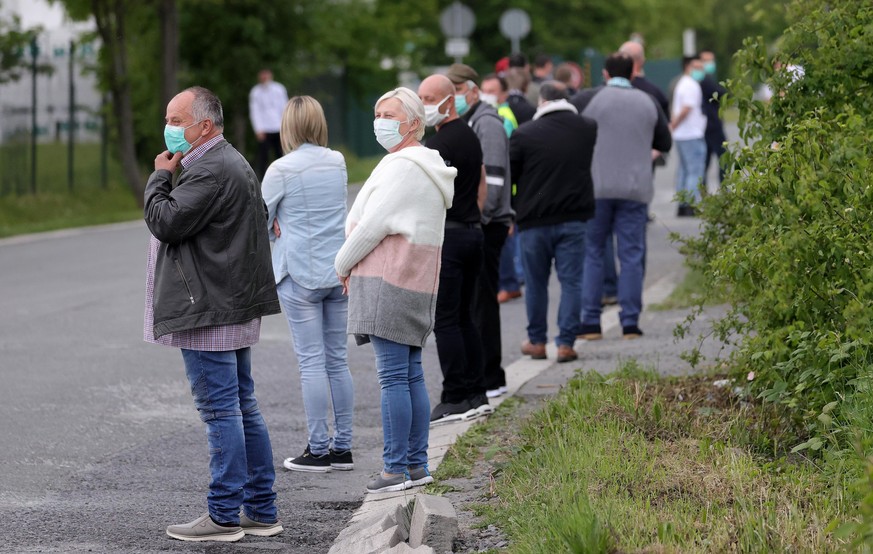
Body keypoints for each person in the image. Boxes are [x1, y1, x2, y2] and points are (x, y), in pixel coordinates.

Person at [144, 86, 283, 542]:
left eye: (177, 120)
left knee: (221, 410)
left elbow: (165, 221)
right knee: (242, 406)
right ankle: (260, 510)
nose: (170, 129)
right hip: (228, 302)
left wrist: (159, 177)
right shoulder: (231, 160)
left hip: (208, 309)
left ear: (205, 125)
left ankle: (223, 515)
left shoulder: (208, 169)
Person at [334, 87, 456, 493]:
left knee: (392, 379)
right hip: (418, 280)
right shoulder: (428, 166)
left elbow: (374, 225)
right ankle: (417, 465)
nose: (379, 121)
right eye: (377, 113)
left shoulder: (403, 166)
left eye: (388, 114)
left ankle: (394, 470)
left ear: (414, 124)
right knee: (410, 375)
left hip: (389, 280)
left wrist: (341, 262)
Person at [261, 96, 355, 474]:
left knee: (311, 363)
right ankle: (343, 447)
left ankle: (318, 449)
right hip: (337, 271)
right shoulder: (338, 162)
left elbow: (258, 218)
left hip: (298, 272)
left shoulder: (280, 169)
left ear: (288, 126)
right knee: (337, 360)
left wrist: (274, 227)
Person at [578, 53, 672, 341]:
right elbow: (664, 142)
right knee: (631, 254)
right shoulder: (648, 102)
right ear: (633, 74)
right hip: (635, 189)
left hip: (597, 187)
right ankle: (630, 322)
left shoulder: (588, 100)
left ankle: (591, 322)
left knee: (593, 252)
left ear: (605, 75)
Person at [418, 74, 491, 424]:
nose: (424, 104)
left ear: (449, 100)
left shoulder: (438, 145)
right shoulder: (470, 135)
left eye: (430, 97)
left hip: (449, 236)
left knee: (446, 320)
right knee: (465, 316)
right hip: (473, 232)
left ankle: (455, 395)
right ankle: (477, 392)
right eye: (420, 97)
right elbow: (479, 182)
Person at [510, 81, 597, 363]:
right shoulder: (587, 127)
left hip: (533, 221)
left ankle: (536, 341)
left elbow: (512, 176)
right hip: (574, 218)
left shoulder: (523, 134)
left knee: (536, 283)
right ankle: (565, 343)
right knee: (571, 281)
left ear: (542, 103)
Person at [446, 63, 514, 401]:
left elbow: (496, 181)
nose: (453, 98)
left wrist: (478, 219)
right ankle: (484, 374)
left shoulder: (486, 123)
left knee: (482, 304)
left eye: (457, 91)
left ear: (472, 90)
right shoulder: (472, 120)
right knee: (474, 304)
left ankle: (492, 375)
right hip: (479, 223)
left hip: (487, 225)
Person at [670, 55, 708, 216]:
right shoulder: (691, 85)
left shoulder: (682, 84)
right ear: (688, 67)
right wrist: (674, 124)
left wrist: (674, 126)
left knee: (684, 170)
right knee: (695, 171)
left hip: (682, 135)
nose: (701, 71)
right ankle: (691, 204)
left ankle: (682, 203)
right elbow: (686, 108)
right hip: (691, 133)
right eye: (697, 67)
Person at [249, 69, 288, 179]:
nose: (264, 77)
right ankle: (262, 180)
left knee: (281, 155)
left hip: (278, 127)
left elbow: (284, 107)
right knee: (263, 157)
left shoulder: (279, 89)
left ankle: (284, 177)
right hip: (264, 129)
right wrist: (258, 129)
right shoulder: (255, 92)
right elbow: (255, 112)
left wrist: (284, 126)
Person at [699, 50, 728, 187]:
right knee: (723, 157)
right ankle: (723, 186)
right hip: (712, 125)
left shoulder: (705, 79)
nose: (709, 64)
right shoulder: (705, 80)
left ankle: (703, 189)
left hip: (706, 125)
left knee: (705, 160)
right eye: (706, 60)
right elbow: (721, 93)